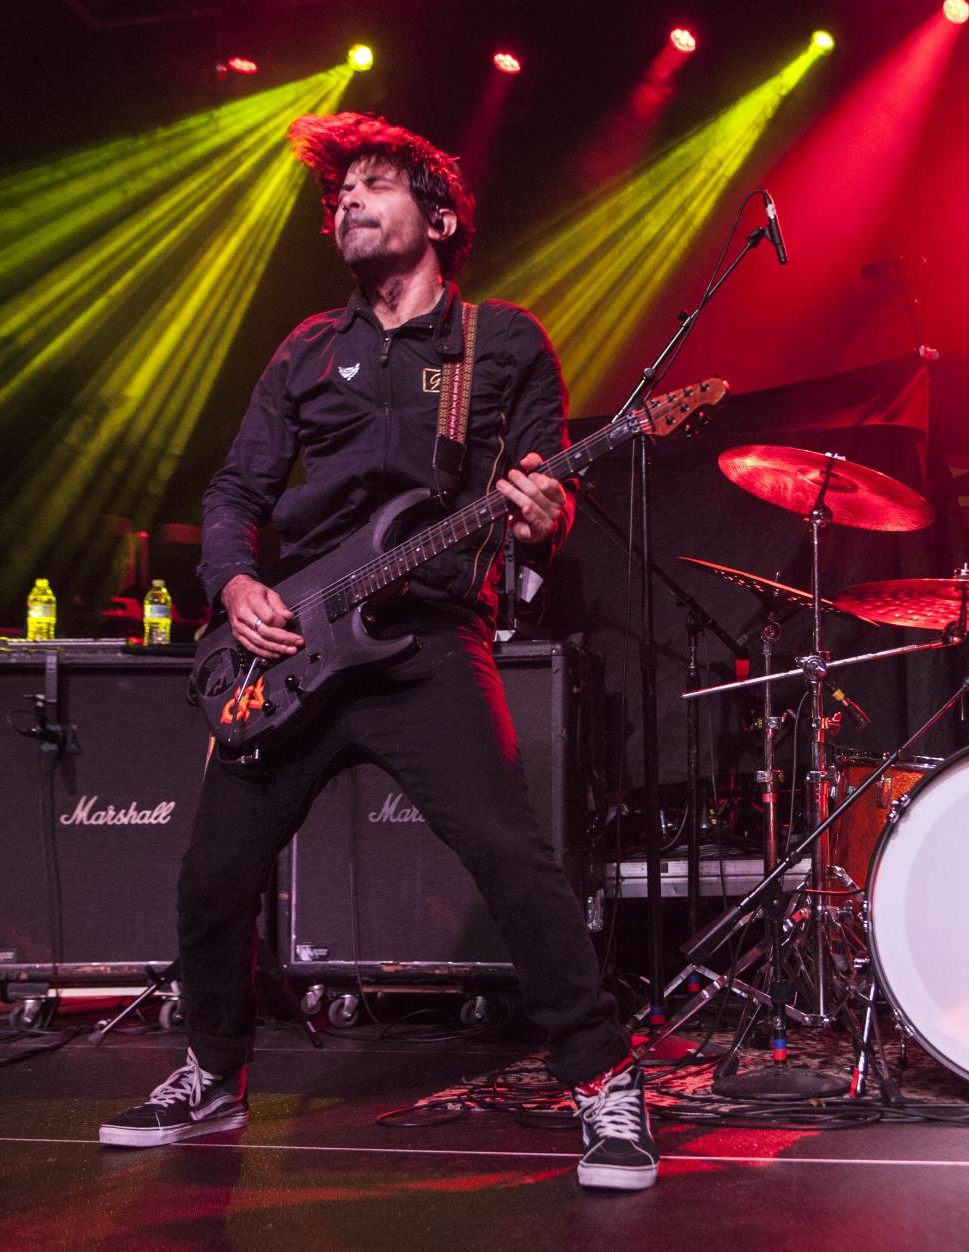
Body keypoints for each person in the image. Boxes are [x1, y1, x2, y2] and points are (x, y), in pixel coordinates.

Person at [98, 113, 657, 1191]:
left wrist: (545, 511)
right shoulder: (307, 347)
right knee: (215, 874)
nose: (345, 203)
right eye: (338, 193)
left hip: (428, 644)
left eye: (372, 187)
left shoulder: (498, 342)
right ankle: (212, 1075)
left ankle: (603, 1082)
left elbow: (549, 491)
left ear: (439, 219)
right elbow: (235, 492)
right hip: (297, 645)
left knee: (511, 858)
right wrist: (238, 584)